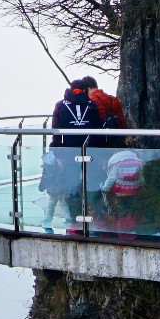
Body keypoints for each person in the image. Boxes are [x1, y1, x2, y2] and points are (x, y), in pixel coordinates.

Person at [42, 82, 104, 231]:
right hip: (91, 150)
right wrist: (101, 153)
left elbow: (56, 132)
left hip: (69, 152)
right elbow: (98, 129)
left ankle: (75, 222)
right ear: (85, 90)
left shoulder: (60, 105)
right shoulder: (92, 104)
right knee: (93, 184)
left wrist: (58, 154)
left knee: (72, 186)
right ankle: (95, 220)